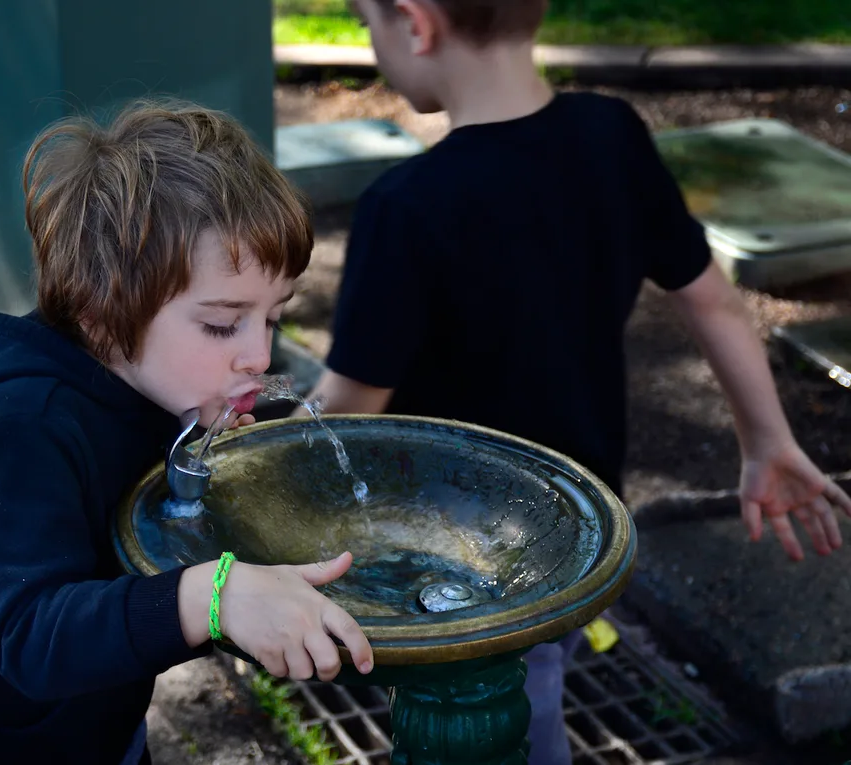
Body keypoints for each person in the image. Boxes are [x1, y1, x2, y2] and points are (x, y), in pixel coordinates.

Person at [299, 1, 851, 763]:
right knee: (537, 679)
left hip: (462, 560)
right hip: (585, 526)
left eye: (367, 22)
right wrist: (766, 438)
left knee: (503, 725)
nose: (371, 40)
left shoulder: (406, 208)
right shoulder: (612, 134)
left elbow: (348, 411)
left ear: (416, 23)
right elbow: (712, 298)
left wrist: (266, 450)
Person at [0, 100, 374, 765]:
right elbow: (36, 635)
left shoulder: (149, 385)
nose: (258, 355)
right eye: (223, 324)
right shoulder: (22, 428)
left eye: (273, 316)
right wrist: (213, 595)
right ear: (102, 315)